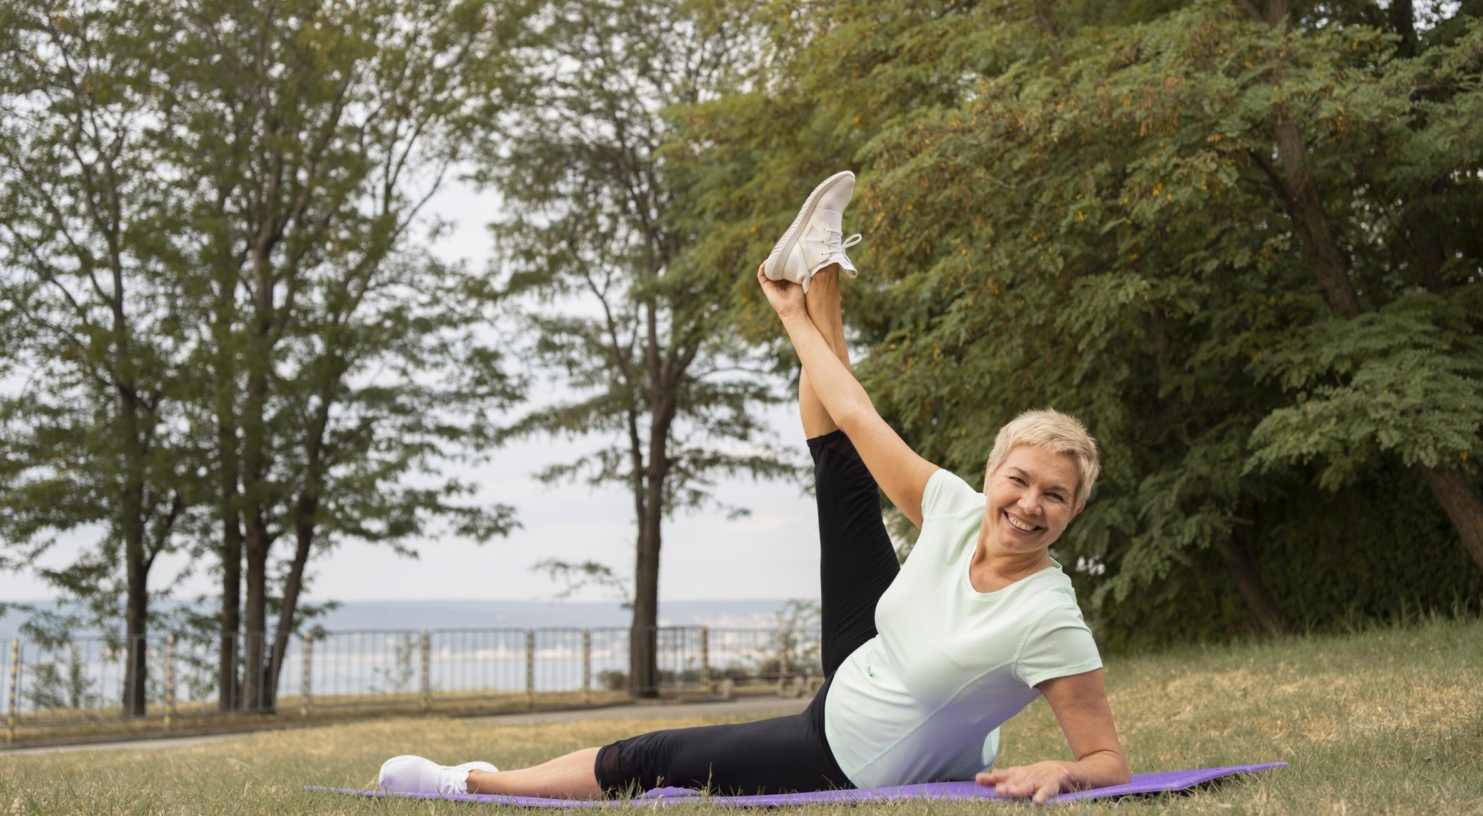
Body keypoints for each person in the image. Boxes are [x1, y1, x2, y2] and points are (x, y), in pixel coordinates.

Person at [376, 171, 1131, 803]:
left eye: (1054, 496)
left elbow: (1109, 763)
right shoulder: (959, 509)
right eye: (1019, 481)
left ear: (1074, 511)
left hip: (844, 746)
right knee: (843, 461)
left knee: (652, 755)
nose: (1030, 505)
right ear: (993, 475)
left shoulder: (1047, 619)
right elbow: (855, 412)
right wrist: (805, 310)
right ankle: (821, 262)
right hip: (873, 648)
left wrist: (1061, 769)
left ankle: (471, 786)